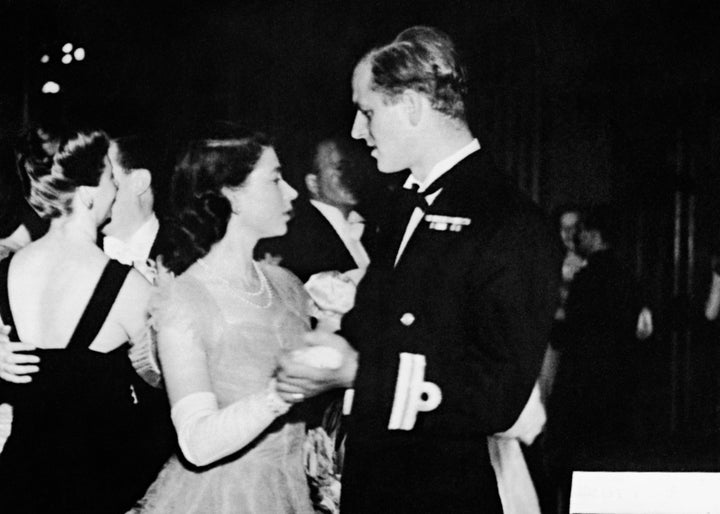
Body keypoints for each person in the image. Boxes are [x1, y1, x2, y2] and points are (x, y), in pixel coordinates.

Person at [277, 26, 560, 513]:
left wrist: (359, 373)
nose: (356, 133)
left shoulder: (508, 221)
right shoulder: (403, 206)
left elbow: (499, 396)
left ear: (411, 106)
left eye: (367, 113)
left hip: (442, 493)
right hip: (378, 482)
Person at [130, 124, 315, 513]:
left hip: (290, 492)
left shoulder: (288, 285)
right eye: (276, 179)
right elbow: (196, 444)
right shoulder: (186, 298)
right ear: (232, 194)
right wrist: (281, 393)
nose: (293, 192)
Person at [0, 129, 156, 513]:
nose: (116, 191)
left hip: (16, 484)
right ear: (87, 192)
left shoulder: (5, 271)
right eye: (110, 180)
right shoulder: (129, 287)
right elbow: (164, 388)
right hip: (96, 488)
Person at [545, 204, 646, 513]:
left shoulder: (587, 278)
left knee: (568, 460)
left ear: (592, 234)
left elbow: (566, 331)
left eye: (580, 232)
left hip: (579, 379)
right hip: (616, 379)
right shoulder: (628, 275)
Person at [256, 136, 373, 282]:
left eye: (355, 166)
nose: (352, 175)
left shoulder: (374, 229)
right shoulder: (296, 234)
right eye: (340, 167)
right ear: (313, 183)